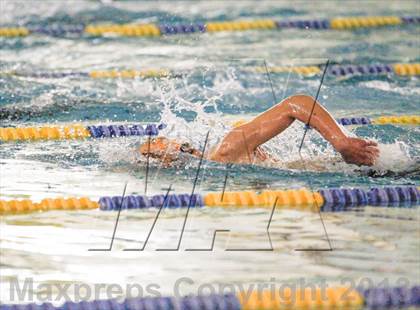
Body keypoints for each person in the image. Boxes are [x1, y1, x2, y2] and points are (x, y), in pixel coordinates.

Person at [139, 94, 380, 168]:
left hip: (359, 166)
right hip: (354, 168)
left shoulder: (226, 150)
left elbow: (296, 103)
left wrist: (342, 143)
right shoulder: (222, 162)